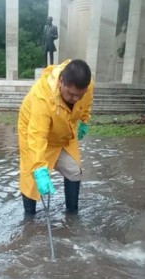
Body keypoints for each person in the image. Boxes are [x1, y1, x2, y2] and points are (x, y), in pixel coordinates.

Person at [18, 59, 94, 215]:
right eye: (72, 94)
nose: (76, 99)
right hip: (33, 133)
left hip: (64, 132)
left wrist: (84, 120)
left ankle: (72, 212)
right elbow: (37, 135)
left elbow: (86, 103)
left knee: (74, 171)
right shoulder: (42, 98)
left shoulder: (87, 86)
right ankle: (29, 218)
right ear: (61, 82)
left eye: (80, 95)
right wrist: (40, 169)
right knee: (32, 179)